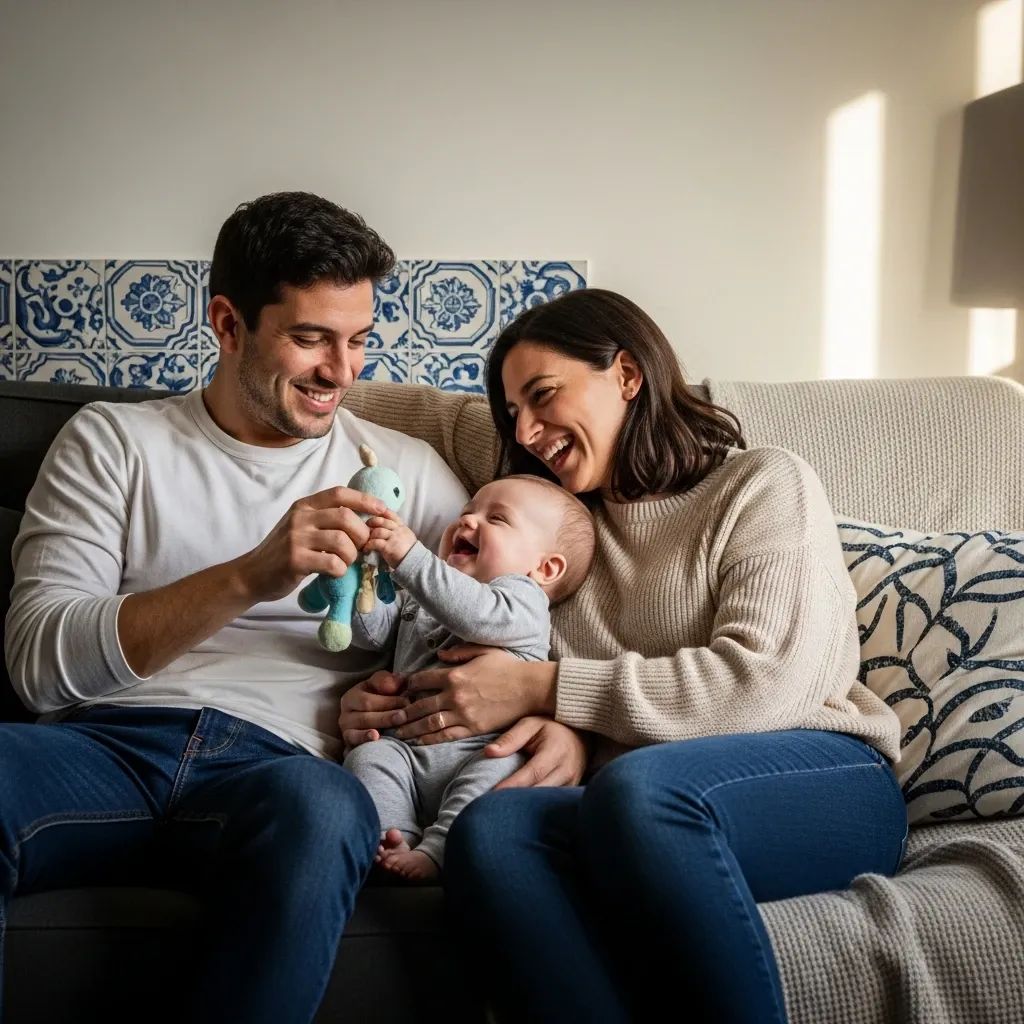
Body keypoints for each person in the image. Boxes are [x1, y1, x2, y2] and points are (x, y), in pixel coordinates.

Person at [339, 288, 907, 1023]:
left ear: (628, 375)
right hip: (626, 799)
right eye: (512, 412)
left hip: (817, 777)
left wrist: (546, 690)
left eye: (543, 395)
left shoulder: (761, 484)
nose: (528, 430)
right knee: (490, 832)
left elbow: (762, 684)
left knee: (638, 792)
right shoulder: (544, 506)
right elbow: (416, 411)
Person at [1, 191, 478, 1024]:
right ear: (228, 324)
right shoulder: (114, 442)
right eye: (311, 338)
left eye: (359, 339)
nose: (342, 371)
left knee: (326, 809)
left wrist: (545, 715)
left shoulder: (406, 471)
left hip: (282, 768)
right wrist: (251, 575)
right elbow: (37, 664)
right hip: (102, 746)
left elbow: (500, 618)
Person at [344, 474, 595, 880]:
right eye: (467, 511)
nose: (467, 521)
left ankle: (439, 850)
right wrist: (361, 581)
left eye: (496, 518)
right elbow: (371, 636)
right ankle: (394, 838)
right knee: (369, 757)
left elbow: (476, 614)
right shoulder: (423, 593)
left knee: (502, 768)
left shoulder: (522, 599)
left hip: (482, 749)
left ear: (545, 568)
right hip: (406, 748)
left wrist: (410, 556)